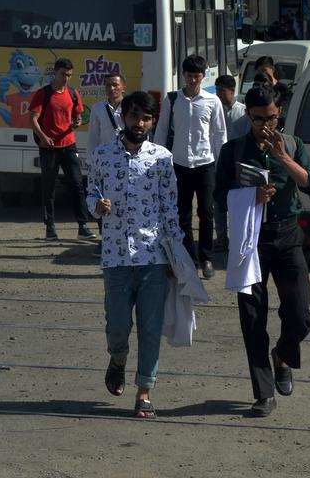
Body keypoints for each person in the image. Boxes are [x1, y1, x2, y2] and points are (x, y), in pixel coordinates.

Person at [214, 84, 310, 418]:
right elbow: (218, 197)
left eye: (271, 118)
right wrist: (249, 197)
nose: (265, 126)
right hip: (251, 241)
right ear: (248, 116)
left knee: (300, 314)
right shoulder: (232, 151)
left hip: (288, 237)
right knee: (252, 320)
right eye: (258, 119)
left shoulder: (293, 144)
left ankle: (283, 356)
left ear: (279, 114)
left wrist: (283, 159)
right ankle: (263, 393)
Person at [88, 91, 184, 419]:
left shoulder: (162, 158)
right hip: (115, 257)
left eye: (146, 118)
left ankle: (144, 391)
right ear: (123, 117)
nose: (139, 123)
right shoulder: (101, 156)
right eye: (134, 117)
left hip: (153, 257)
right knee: (117, 326)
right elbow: (90, 192)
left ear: (152, 121)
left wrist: (177, 257)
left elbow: (171, 209)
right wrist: (96, 207)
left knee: (150, 327)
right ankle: (118, 359)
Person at [153, 55, 227, 279]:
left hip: (205, 164)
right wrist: (156, 160)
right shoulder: (172, 100)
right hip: (179, 164)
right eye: (189, 76)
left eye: (197, 76)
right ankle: (189, 258)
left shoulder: (212, 101)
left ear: (203, 76)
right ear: (183, 76)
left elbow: (219, 134)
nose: (193, 80)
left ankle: (206, 258)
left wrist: (220, 163)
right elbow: (162, 130)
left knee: (206, 212)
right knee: (182, 214)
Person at [28, 58, 95, 240]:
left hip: (68, 145)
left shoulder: (73, 93)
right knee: (49, 188)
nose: (66, 78)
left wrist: (77, 122)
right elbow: (33, 119)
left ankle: (83, 226)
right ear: (55, 73)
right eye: (63, 74)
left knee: (77, 185)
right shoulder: (44, 94)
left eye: (69, 75)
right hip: (49, 147)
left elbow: (78, 115)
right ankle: (50, 227)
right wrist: (43, 137)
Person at [214, 75, 247, 251]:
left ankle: (237, 236)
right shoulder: (214, 109)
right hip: (219, 164)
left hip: (238, 165)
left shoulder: (243, 113)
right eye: (217, 90)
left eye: (222, 91)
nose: (219, 94)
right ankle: (221, 238)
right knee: (219, 202)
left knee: (236, 203)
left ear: (232, 91)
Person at [88, 74, 125, 148]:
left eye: (115, 85)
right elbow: (93, 136)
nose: (111, 88)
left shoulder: (130, 107)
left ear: (123, 88)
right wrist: (91, 158)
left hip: (126, 153)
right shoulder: (97, 107)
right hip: (105, 155)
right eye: (108, 85)